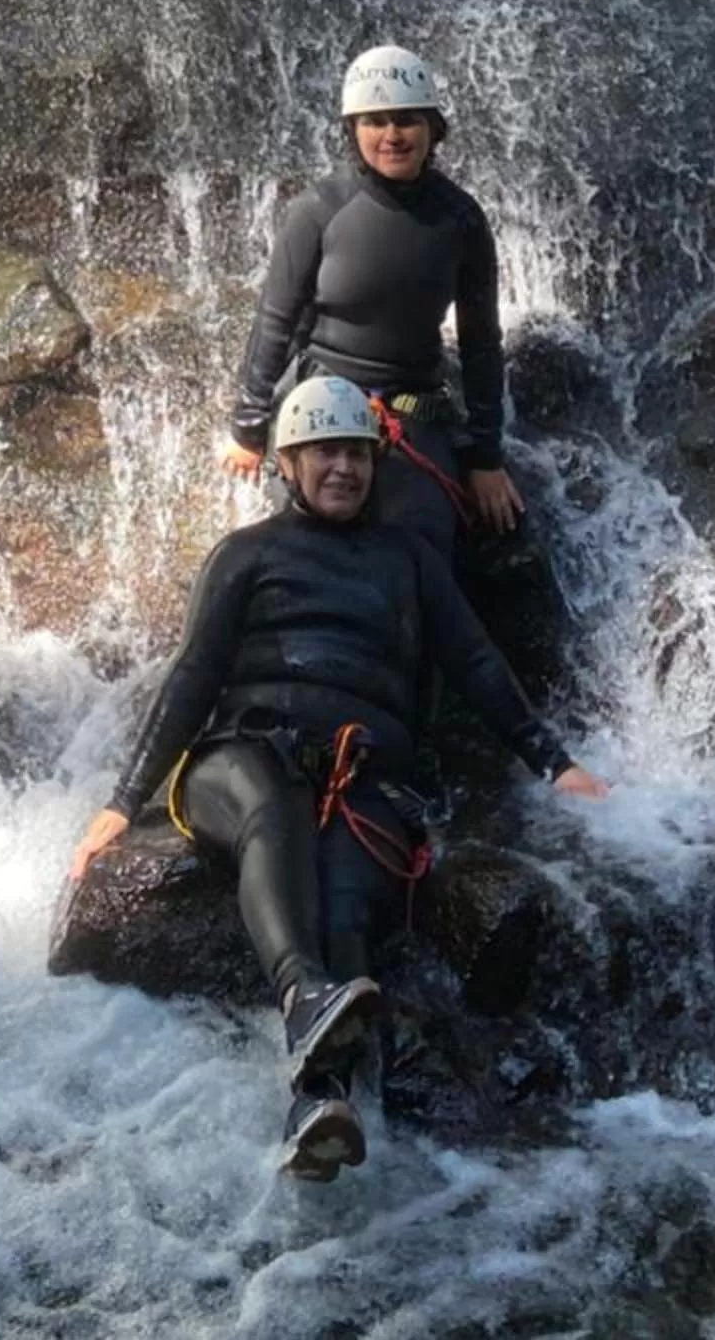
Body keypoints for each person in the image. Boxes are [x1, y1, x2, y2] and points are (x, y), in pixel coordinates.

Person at [67, 374, 610, 1182]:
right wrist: (120, 804)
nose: (342, 468)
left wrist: (554, 762)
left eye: (355, 453)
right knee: (274, 804)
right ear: (288, 462)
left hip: (360, 777)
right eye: (324, 452)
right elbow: (190, 679)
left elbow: (476, 666)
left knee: (351, 887)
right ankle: (303, 993)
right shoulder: (245, 555)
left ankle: (318, 1106)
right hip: (238, 764)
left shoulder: (411, 561)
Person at [220, 44, 516, 553]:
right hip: (321, 395)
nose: (392, 135)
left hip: (414, 400)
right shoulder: (317, 211)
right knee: (307, 533)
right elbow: (274, 320)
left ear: (432, 130)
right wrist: (248, 426)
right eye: (375, 121)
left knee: (426, 530)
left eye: (407, 120)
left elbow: (481, 343)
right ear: (353, 132)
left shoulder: (461, 220)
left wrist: (485, 458)